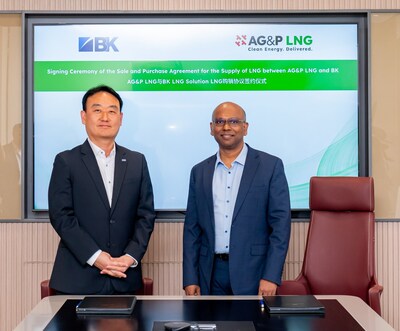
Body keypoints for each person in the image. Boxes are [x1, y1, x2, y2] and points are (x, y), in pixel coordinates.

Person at [48, 85, 156, 295]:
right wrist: (96, 257)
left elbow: (145, 215)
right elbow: (61, 216)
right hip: (77, 280)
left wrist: (130, 257)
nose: (105, 117)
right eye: (97, 110)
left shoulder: (136, 161)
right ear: (83, 116)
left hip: (125, 277)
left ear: (121, 118)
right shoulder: (66, 161)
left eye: (112, 111)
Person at [183, 101, 291, 296]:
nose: (226, 127)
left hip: (255, 272)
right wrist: (190, 278)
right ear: (211, 128)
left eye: (234, 121)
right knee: (212, 325)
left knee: (254, 326)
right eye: (220, 121)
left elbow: (280, 227)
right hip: (210, 273)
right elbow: (192, 230)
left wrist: (271, 275)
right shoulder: (199, 172)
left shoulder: (270, 166)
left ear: (245, 127)